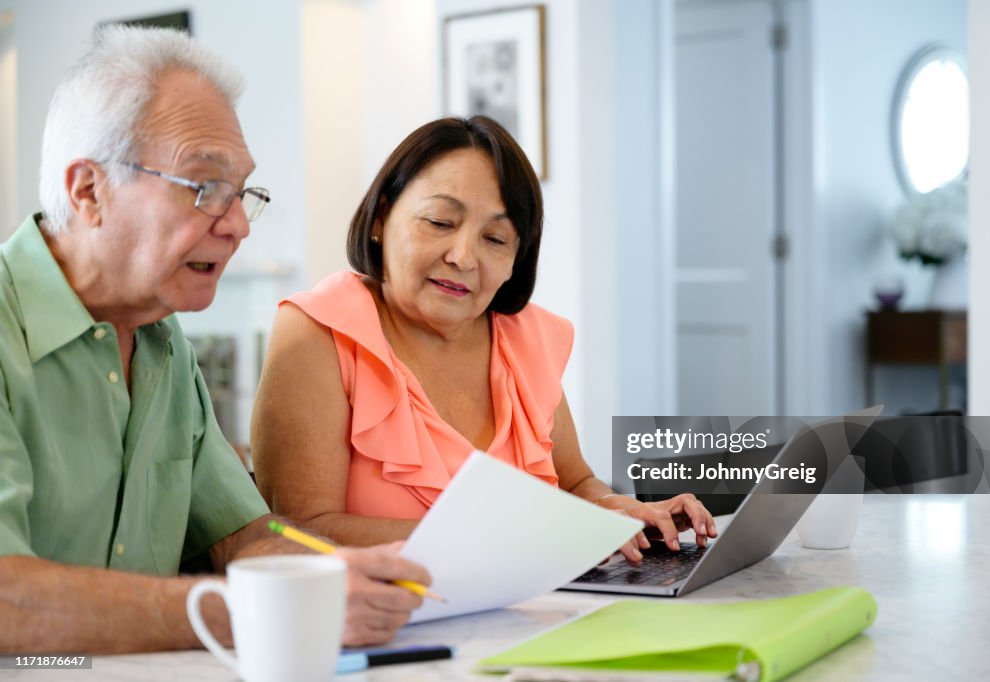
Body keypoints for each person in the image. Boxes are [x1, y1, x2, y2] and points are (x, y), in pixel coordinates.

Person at [0, 25, 430, 654]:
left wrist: (366, 573)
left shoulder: (163, 341)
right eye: (204, 189)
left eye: (240, 194)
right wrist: (268, 610)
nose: (235, 227)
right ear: (88, 191)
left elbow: (243, 537)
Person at [252, 116, 718, 563]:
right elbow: (295, 530)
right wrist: (508, 538)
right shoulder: (318, 331)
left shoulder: (526, 337)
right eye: (439, 222)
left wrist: (619, 511)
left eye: (495, 238)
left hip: (535, 610)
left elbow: (575, 485)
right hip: (389, 622)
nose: (463, 257)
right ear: (380, 219)